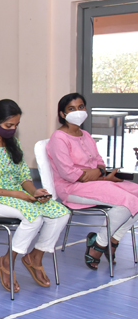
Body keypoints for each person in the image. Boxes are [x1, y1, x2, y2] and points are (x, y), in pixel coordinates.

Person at [0, 99, 70, 293]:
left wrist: (34, 192)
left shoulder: (12, 144)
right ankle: (7, 261)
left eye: (16, 125)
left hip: (16, 196)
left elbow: (24, 177)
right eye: (9, 125)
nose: (13, 129)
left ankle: (35, 257)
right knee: (33, 217)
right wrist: (19, 195)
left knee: (61, 213)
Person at [47, 93, 138, 270]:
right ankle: (99, 245)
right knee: (126, 202)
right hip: (71, 188)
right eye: (71, 109)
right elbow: (70, 174)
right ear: (63, 114)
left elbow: (99, 162)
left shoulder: (86, 135)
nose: (78, 111)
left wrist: (101, 174)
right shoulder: (59, 138)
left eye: (81, 107)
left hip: (96, 182)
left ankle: (113, 239)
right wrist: (98, 174)